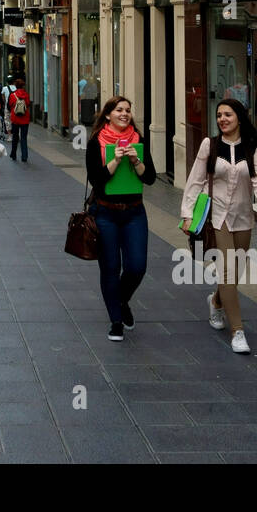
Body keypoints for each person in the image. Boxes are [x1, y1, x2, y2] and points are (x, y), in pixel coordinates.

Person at [181, 98, 257, 355]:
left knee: (236, 273)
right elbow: (195, 181)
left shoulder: (251, 148)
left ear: (239, 118)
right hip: (217, 217)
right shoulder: (209, 145)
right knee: (227, 273)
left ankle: (215, 301)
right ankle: (238, 332)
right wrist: (187, 215)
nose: (222, 119)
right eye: (219, 115)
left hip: (244, 218)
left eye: (228, 115)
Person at [87, 95, 156, 341]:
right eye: (119, 110)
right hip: (105, 212)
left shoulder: (138, 140)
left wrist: (136, 160)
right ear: (108, 114)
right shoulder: (96, 142)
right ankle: (116, 320)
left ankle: (121, 300)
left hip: (134, 212)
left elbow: (150, 178)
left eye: (128, 110)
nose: (125, 114)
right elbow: (96, 180)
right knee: (110, 268)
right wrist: (115, 160)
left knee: (137, 266)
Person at [8, 76, 32, 163]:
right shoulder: (26, 95)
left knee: (15, 137)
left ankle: (13, 154)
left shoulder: (12, 95)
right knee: (23, 138)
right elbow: (28, 104)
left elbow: (9, 105)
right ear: (23, 86)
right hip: (25, 119)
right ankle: (24, 156)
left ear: (15, 86)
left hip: (15, 119)